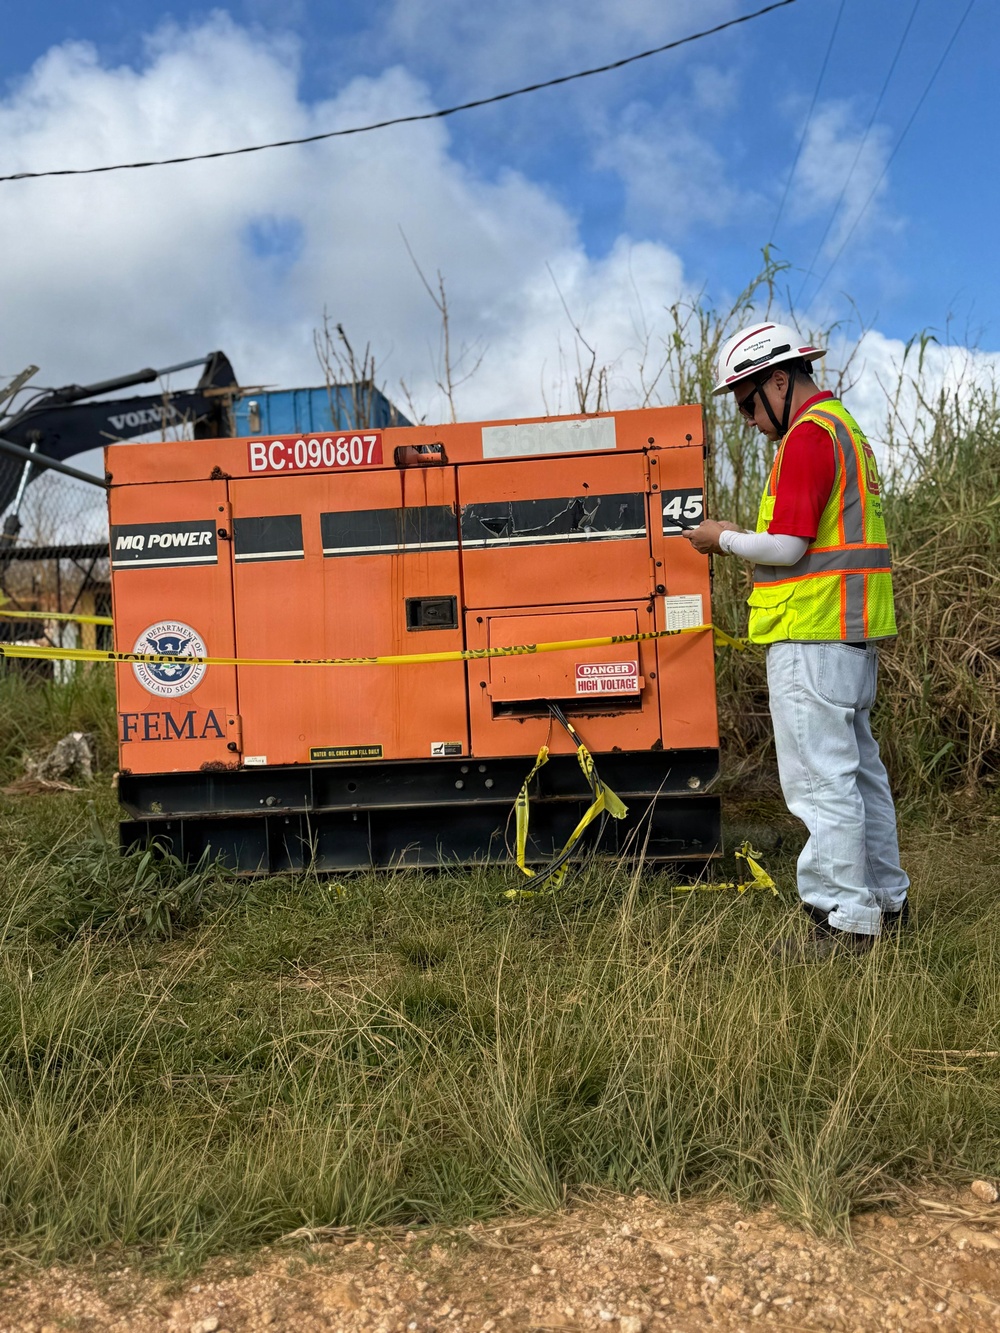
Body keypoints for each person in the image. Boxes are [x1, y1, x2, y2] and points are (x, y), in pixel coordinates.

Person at [683, 321, 909, 960]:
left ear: (780, 380)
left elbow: (787, 547)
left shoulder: (809, 437)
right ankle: (887, 903)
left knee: (820, 783)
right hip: (847, 635)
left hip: (812, 637)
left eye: (749, 402)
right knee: (861, 777)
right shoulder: (844, 428)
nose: (750, 420)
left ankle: (844, 921)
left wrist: (721, 538)